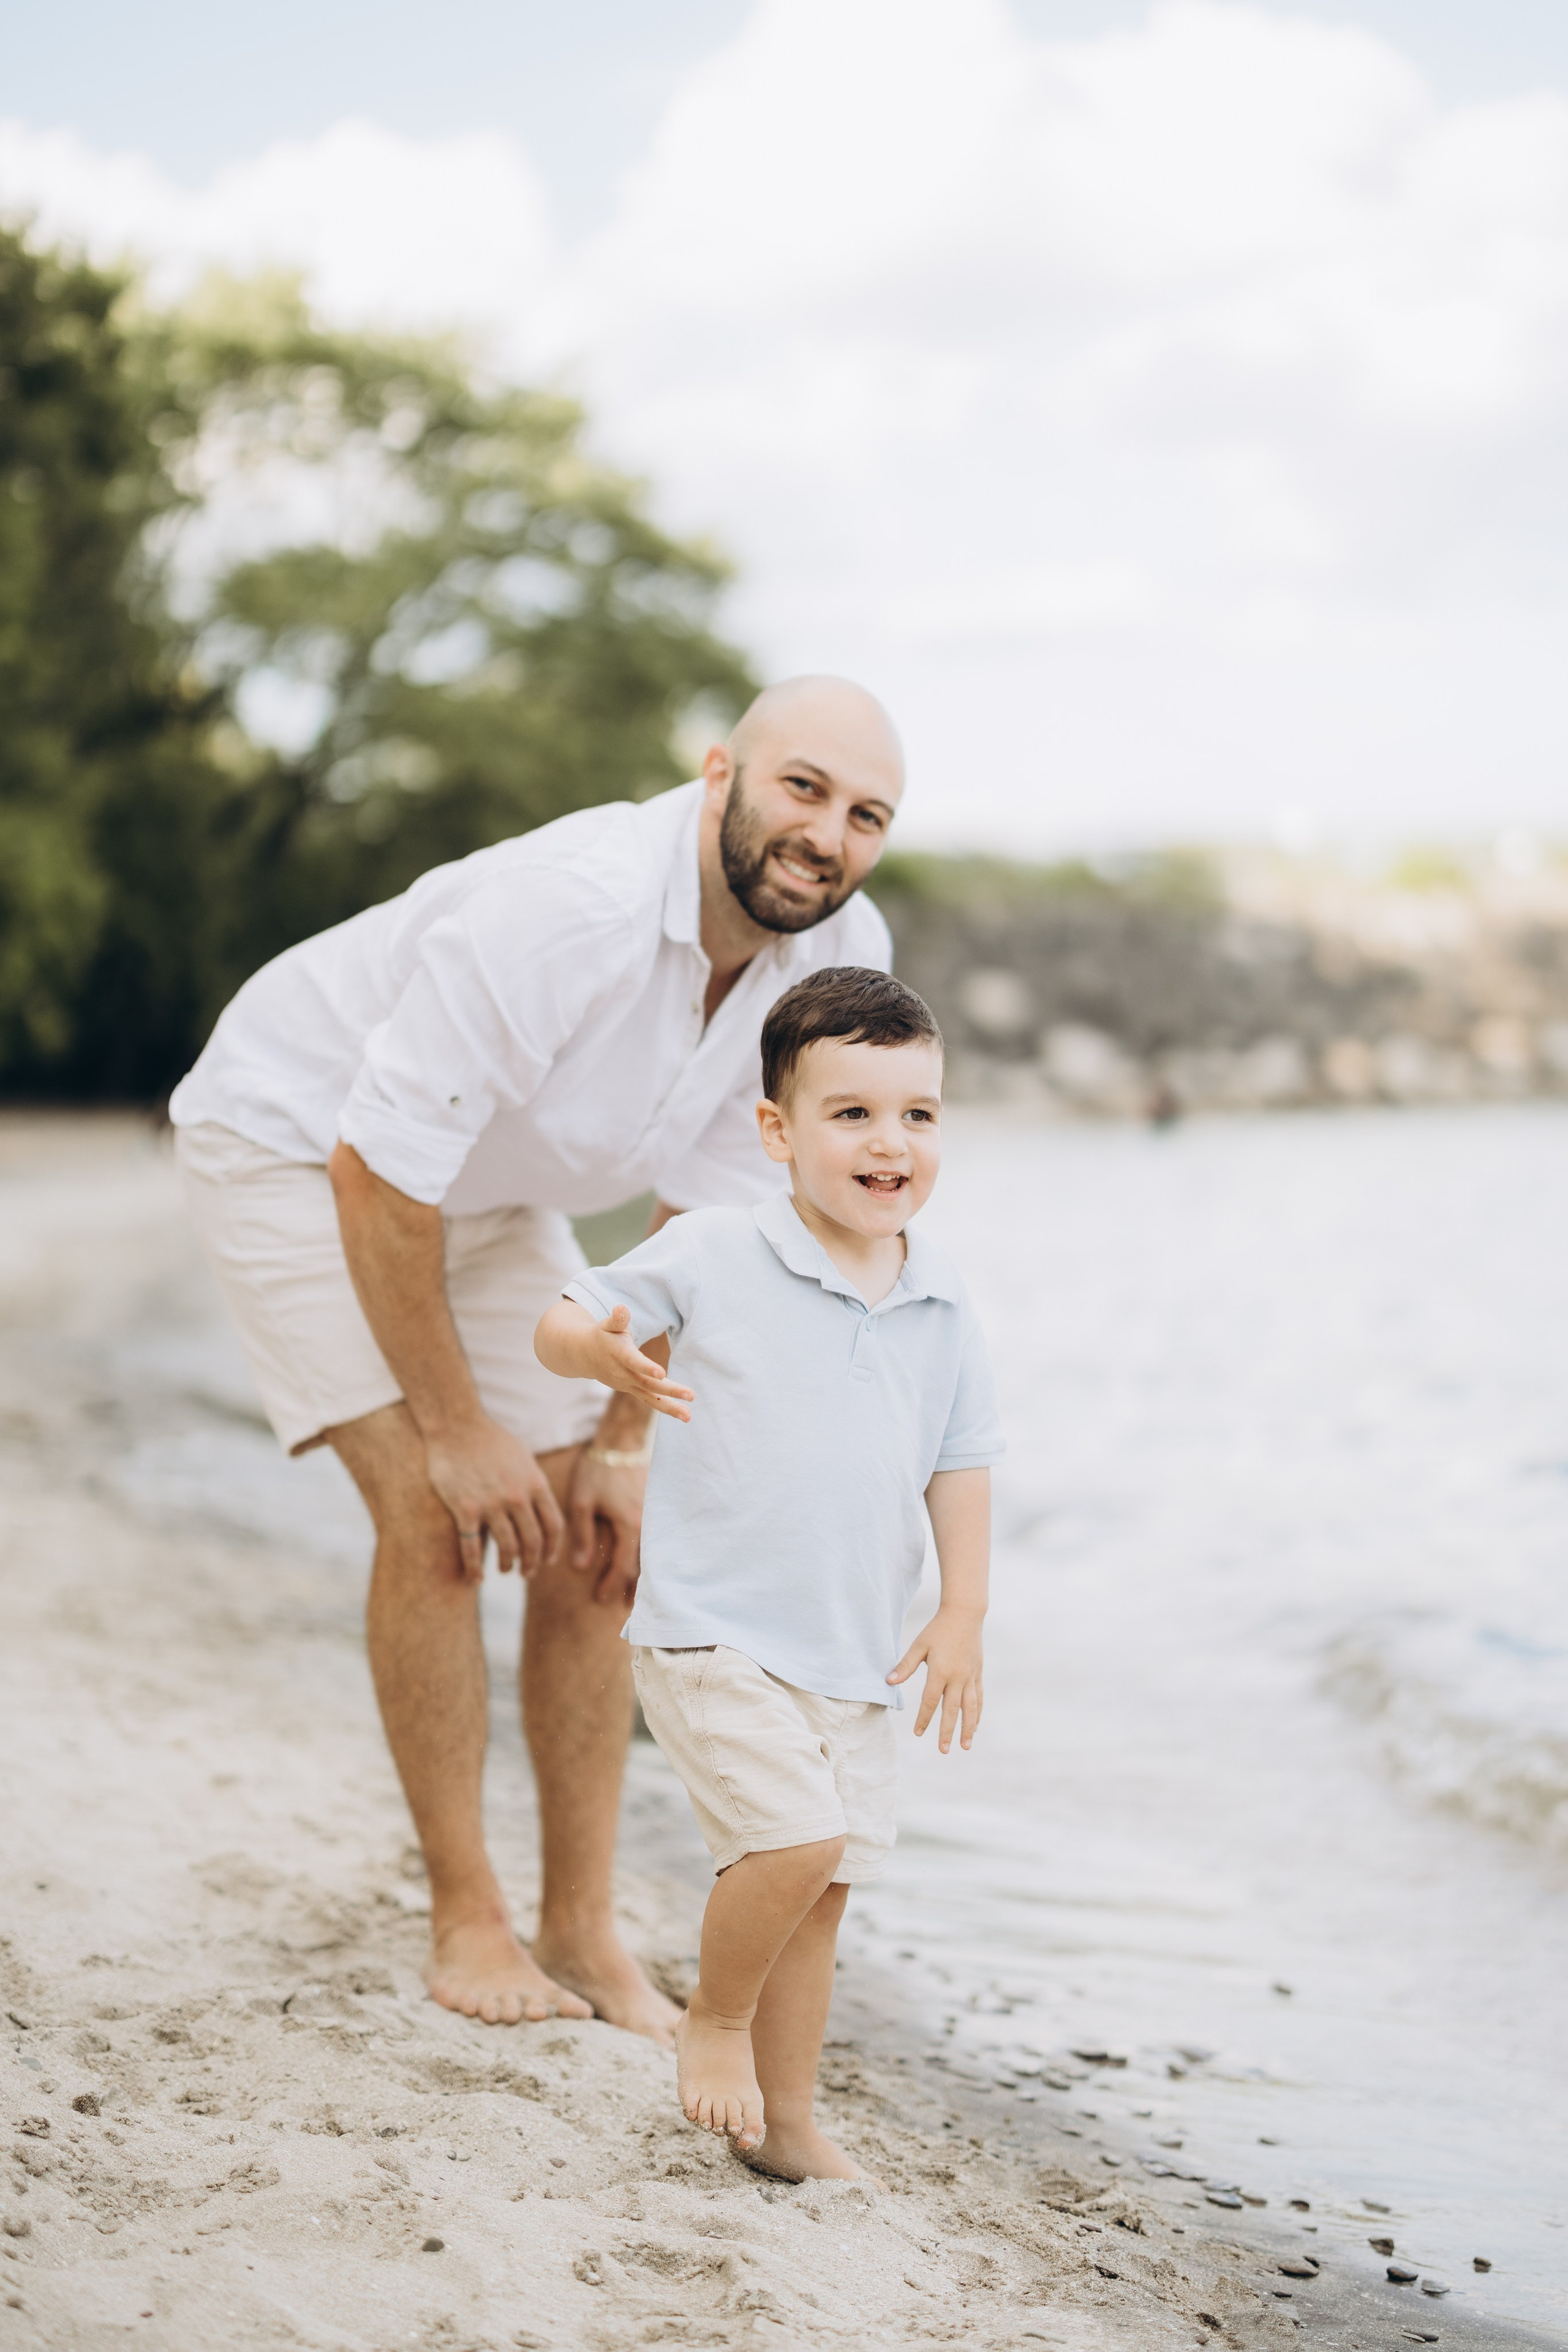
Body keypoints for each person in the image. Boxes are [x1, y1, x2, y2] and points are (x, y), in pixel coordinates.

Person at [167, 677, 904, 2040]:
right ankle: (469, 1918)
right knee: (436, 1510)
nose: (827, 834)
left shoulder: (837, 959)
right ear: (719, 773)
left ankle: (580, 1925)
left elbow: (703, 1220)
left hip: (487, 1192)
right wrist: (456, 1430)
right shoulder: (570, 909)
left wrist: (624, 1447)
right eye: (801, 788)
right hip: (296, 1144)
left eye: (866, 815)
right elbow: (376, 1171)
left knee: (596, 1538)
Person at [533, 967, 1002, 2179]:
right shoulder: (716, 1248)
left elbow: (961, 1458)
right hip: (714, 1631)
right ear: (776, 1133)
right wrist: (597, 1352)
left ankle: (785, 2124)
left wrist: (962, 1608)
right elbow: (565, 1315)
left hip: (851, 1654)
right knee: (793, 1843)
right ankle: (716, 2019)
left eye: (917, 1113)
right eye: (851, 1113)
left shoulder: (942, 1296)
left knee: (822, 1889)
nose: (890, 1141)